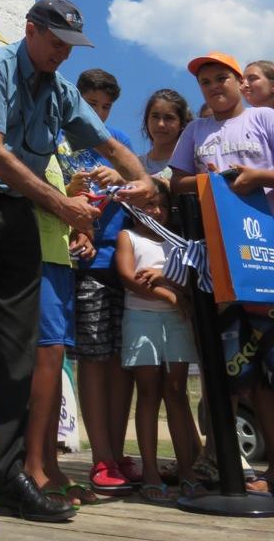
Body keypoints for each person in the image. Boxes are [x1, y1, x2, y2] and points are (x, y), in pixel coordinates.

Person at [0, 0, 154, 523]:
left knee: (16, 348)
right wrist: (62, 205)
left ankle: (6, 476)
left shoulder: (59, 91)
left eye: (70, 46)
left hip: (19, 213)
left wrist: (142, 177)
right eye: (55, 42)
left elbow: (108, 145)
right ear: (30, 30)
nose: (62, 54)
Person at [171, 51, 274, 490]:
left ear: (239, 82)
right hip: (218, 266)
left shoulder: (264, 118)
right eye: (205, 82)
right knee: (228, 369)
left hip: (266, 258)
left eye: (221, 79)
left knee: (270, 372)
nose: (214, 87)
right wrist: (206, 182)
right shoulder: (195, 130)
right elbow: (175, 182)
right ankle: (222, 463)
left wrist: (256, 176)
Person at [57, 69, 139, 495]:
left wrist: (122, 181)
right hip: (84, 265)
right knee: (92, 358)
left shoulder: (117, 141)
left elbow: (142, 191)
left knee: (119, 362)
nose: (100, 114)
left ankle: (119, 452)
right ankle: (101, 457)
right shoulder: (59, 138)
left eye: (106, 107)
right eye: (92, 106)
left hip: (121, 262)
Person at [115, 180, 202, 503]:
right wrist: (170, 294)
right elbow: (128, 277)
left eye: (162, 206)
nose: (155, 212)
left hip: (176, 323)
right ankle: (149, 470)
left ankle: (187, 469)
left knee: (177, 392)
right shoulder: (129, 237)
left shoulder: (178, 244)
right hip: (141, 319)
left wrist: (168, 284)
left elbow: (189, 288)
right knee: (148, 391)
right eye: (148, 205)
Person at [23, 156, 97, 508]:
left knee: (56, 361)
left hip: (61, 260)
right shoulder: (24, 137)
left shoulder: (56, 149)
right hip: (34, 258)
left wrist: (83, 230)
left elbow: (61, 204)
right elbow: (24, 192)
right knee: (47, 358)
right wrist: (67, 198)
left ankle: (50, 463)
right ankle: (32, 464)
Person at [138, 89, 193, 178]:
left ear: (182, 123)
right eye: (155, 116)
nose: (160, 124)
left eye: (169, 118)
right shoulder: (135, 166)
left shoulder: (191, 165)